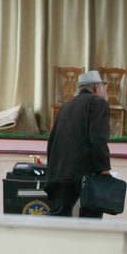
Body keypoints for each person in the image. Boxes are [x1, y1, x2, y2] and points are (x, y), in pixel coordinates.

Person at [46, 70, 111, 218]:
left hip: (61, 172)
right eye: (103, 86)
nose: (104, 90)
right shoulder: (98, 103)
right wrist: (104, 168)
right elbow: (98, 139)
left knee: (58, 219)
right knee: (91, 219)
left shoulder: (66, 106)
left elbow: (53, 139)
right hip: (85, 173)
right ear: (95, 87)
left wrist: (53, 169)